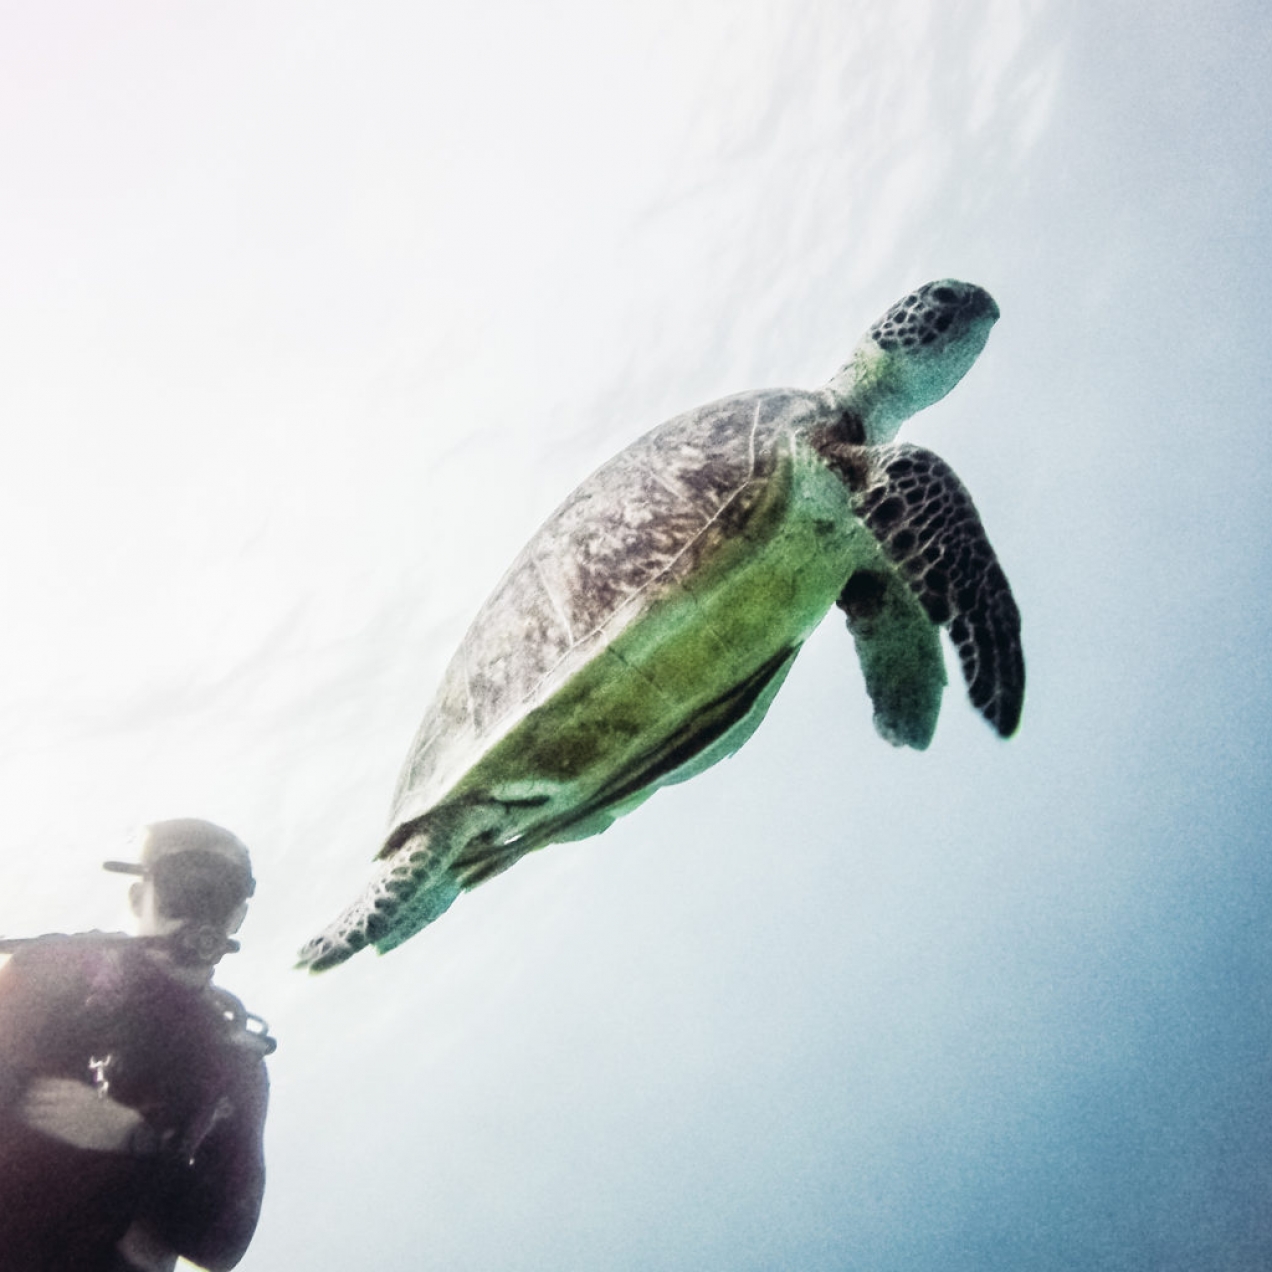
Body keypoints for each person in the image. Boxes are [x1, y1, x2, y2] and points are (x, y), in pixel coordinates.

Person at [0, 819, 275, 1272]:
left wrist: (134, 1139)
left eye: (219, 893)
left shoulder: (232, 1061)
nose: (200, 912)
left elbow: (224, 1243)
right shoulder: (50, 976)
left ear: (238, 914)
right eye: (183, 886)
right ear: (136, 897)